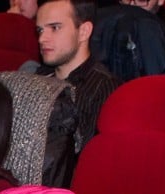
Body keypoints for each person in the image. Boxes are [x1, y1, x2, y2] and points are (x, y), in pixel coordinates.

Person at [35, 0, 122, 148]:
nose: (42, 39)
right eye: (40, 30)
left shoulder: (104, 88)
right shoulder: (37, 78)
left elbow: (90, 156)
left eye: (55, 28)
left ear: (84, 32)